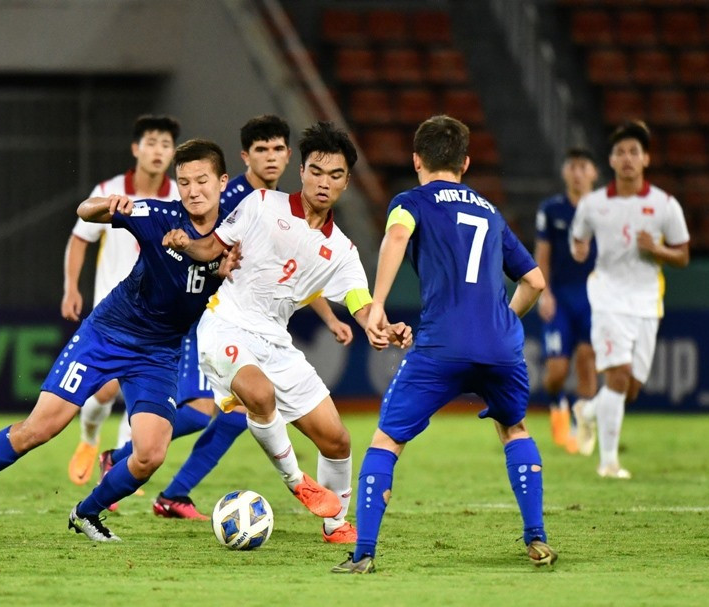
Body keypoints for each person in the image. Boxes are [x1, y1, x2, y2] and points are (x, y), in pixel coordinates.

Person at [0, 139, 237, 542]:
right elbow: (84, 212)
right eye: (185, 182)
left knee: (150, 455)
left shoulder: (235, 229)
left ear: (222, 182)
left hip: (159, 353)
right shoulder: (158, 215)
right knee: (40, 429)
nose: (193, 191)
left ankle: (86, 513)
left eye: (202, 181)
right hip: (107, 335)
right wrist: (109, 205)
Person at [163, 121, 412, 544]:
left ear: (346, 182)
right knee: (259, 395)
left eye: (335, 175)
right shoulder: (262, 203)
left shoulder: (344, 252)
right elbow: (212, 246)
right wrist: (184, 243)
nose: (323, 182)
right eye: (316, 170)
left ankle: (336, 524)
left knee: (337, 439)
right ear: (302, 171)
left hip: (276, 342)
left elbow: (361, 304)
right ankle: (297, 481)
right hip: (227, 324)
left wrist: (384, 327)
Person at [97, 115, 353, 521]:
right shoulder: (236, 196)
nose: (270, 157)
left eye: (276, 149)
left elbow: (289, 273)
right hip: (206, 315)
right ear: (244, 158)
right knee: (204, 412)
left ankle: (172, 491)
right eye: (260, 150)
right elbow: (200, 244)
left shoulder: (281, 203)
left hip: (235, 320)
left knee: (235, 416)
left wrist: (328, 316)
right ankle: (126, 459)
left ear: (289, 156)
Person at [331, 115, 554, 574]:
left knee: (386, 440)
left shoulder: (411, 201)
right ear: (466, 162)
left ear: (416, 160)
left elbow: (396, 235)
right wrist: (502, 322)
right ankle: (536, 538)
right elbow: (535, 281)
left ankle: (364, 552)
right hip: (500, 345)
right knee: (514, 429)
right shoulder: (490, 212)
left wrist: (377, 305)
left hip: (443, 345)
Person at [64, 115, 180, 488]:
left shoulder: (181, 195)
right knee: (104, 390)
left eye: (166, 144)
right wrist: (71, 286)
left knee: (139, 396)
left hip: (159, 316)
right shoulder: (112, 189)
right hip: (114, 313)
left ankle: (113, 467)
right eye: (152, 142)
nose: (159, 150)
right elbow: (80, 237)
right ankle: (88, 438)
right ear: (136, 149)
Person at [570, 120, 690, 479]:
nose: (627, 159)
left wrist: (658, 250)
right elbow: (578, 241)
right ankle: (608, 463)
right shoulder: (592, 204)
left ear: (646, 159)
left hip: (647, 301)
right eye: (620, 152)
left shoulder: (664, 205)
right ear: (610, 159)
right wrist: (579, 250)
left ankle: (588, 412)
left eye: (634, 152)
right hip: (606, 297)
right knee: (618, 377)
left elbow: (683, 255)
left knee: (631, 388)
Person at [533, 148, 599, 454]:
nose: (577, 172)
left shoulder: (605, 209)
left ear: (593, 173)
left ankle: (584, 427)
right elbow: (542, 255)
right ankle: (557, 403)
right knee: (557, 371)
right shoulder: (552, 210)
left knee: (588, 361)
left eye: (583, 166)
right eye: (572, 166)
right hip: (560, 297)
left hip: (595, 299)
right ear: (564, 172)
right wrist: (543, 293)